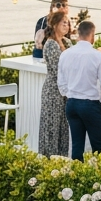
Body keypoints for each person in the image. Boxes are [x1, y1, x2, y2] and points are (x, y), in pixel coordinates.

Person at [57, 19, 101, 161]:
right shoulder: (97, 55)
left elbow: (61, 84)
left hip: (72, 104)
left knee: (76, 145)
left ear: (77, 34)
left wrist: (70, 95)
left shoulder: (65, 54)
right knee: (98, 146)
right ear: (92, 35)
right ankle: (100, 179)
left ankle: (76, 178)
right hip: (90, 105)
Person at [37, 9, 71, 157]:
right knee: (51, 127)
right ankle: (48, 162)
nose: (67, 25)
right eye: (64, 22)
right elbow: (59, 70)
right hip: (53, 91)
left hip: (65, 92)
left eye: (68, 23)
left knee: (63, 128)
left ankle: (61, 160)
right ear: (55, 24)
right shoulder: (50, 44)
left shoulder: (67, 42)